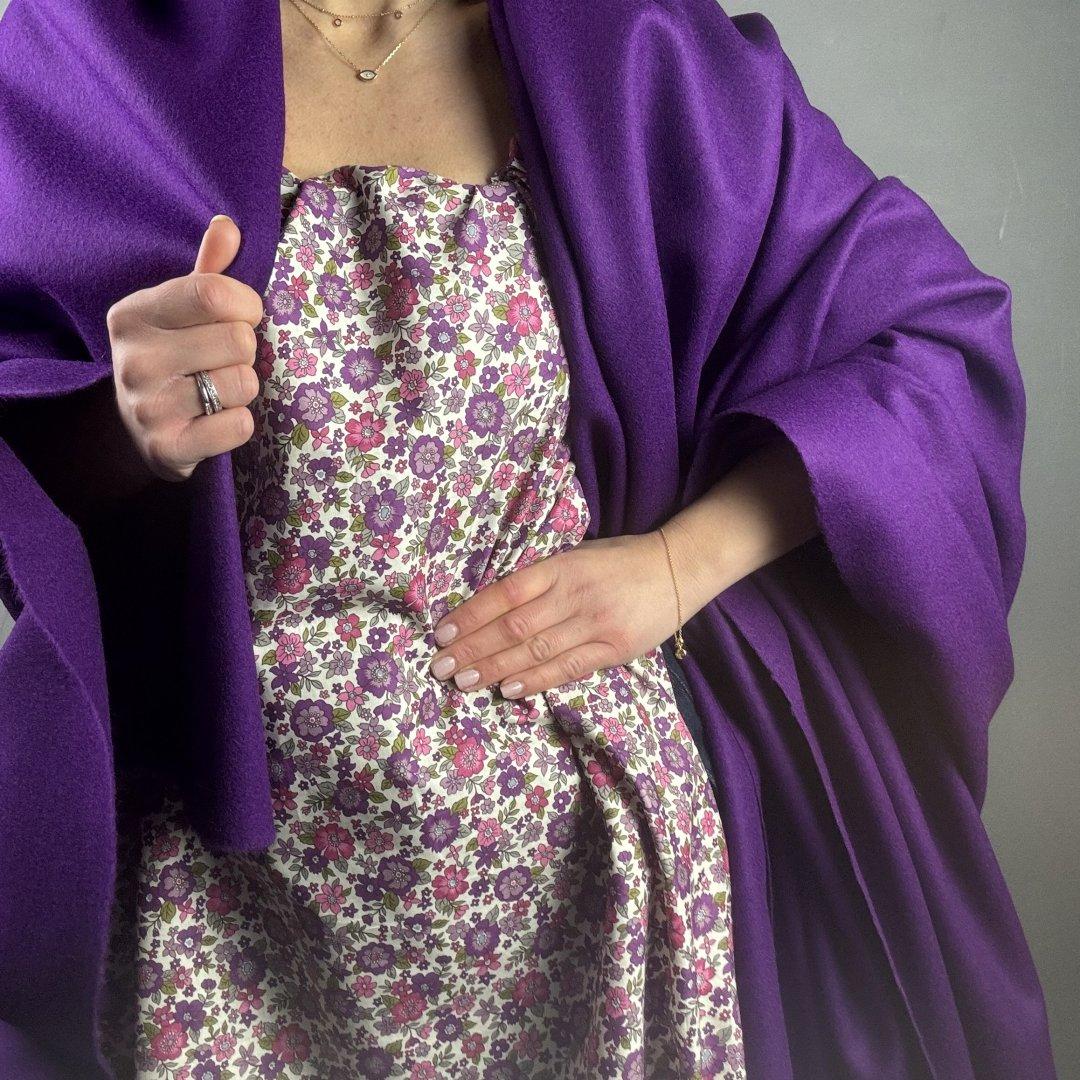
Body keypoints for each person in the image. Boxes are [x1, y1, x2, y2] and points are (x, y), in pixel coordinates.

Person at [0, 0, 1056, 1077]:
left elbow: (930, 346)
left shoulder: (633, 45)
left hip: (599, 914)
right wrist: (115, 426)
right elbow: (25, 455)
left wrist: (676, 567)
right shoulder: (87, 47)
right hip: (218, 931)